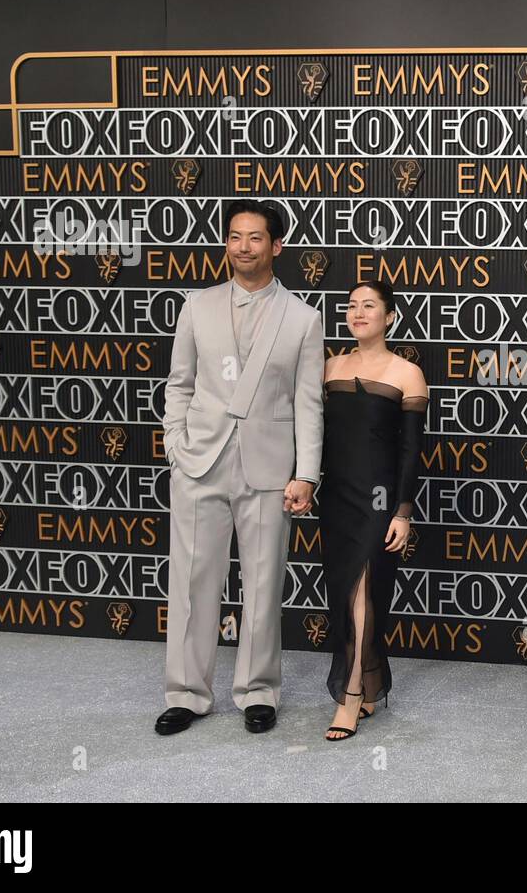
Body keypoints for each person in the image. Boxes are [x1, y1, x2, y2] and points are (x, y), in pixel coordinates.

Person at [155, 200, 324, 736]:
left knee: (264, 584)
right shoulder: (196, 306)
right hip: (200, 461)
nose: (243, 246)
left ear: (276, 246)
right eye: (234, 236)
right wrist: (175, 446)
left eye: (255, 237)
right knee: (190, 582)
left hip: (270, 469)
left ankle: (258, 691)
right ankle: (186, 692)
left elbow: (307, 404)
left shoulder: (303, 318)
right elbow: (179, 384)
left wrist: (307, 474)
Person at [315, 280, 428, 741]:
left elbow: (411, 451)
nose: (358, 313)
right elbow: (316, 435)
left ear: (390, 316)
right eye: (351, 305)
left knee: (365, 590)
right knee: (344, 595)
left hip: (380, 499)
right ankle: (365, 678)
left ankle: (353, 693)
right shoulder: (329, 367)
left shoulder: (406, 373)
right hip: (337, 497)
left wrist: (402, 511)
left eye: (369, 306)